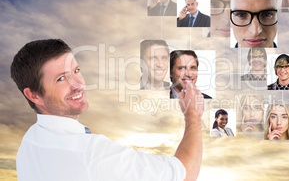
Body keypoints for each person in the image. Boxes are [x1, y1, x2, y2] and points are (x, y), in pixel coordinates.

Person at [10, 39, 204, 181]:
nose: (78, 84)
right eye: (61, 79)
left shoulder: (29, 142)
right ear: (33, 95)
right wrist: (193, 116)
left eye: (76, 71)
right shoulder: (92, 153)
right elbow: (184, 174)